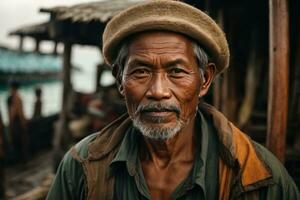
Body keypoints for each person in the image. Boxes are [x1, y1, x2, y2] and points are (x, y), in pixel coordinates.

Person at [46, 1, 300, 199]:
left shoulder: (261, 177)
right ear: (120, 81)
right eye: (141, 71)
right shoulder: (81, 167)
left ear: (205, 80)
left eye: (176, 72)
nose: (158, 91)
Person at [7, 81, 28, 162]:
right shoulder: (17, 98)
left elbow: (15, 113)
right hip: (17, 124)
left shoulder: (15, 98)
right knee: (21, 143)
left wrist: (11, 126)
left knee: (19, 143)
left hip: (17, 124)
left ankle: (22, 161)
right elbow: (19, 112)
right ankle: (23, 161)